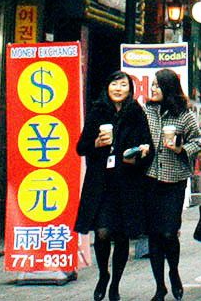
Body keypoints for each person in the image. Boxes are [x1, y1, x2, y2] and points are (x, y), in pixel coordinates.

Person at [74, 70, 153, 301]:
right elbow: (81, 147)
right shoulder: (98, 110)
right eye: (114, 84)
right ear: (107, 87)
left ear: (130, 89)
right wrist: (97, 142)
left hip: (127, 183)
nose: (118, 89)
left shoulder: (137, 112)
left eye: (123, 85)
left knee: (121, 236)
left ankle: (115, 283)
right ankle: (103, 275)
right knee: (102, 233)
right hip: (101, 183)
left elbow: (147, 146)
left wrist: (141, 152)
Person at [143, 69, 201, 301]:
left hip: (174, 179)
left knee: (169, 233)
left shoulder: (184, 115)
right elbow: (137, 136)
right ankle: (160, 286)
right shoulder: (147, 111)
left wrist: (181, 148)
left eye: (157, 86)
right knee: (154, 234)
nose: (153, 90)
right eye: (152, 86)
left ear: (168, 87)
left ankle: (174, 273)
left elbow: (197, 142)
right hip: (149, 178)